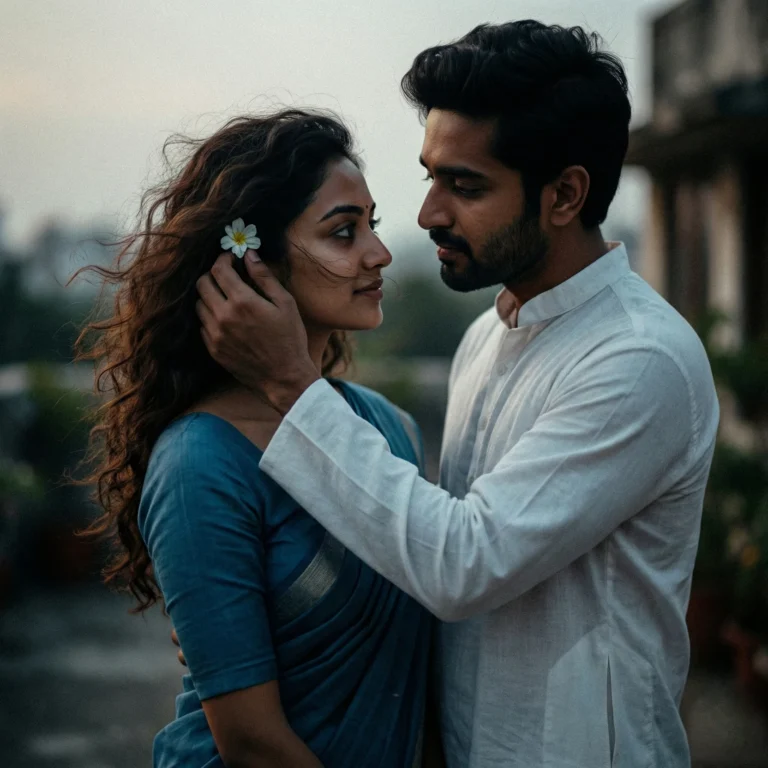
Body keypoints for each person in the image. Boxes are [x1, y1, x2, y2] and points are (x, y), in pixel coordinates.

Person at [195, 21, 720, 768]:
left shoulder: (638, 359)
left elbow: (460, 563)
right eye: (430, 176)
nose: (429, 213)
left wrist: (288, 381)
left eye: (465, 185)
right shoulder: (487, 336)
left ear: (565, 194)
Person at [76, 109, 436, 767]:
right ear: (253, 266)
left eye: (371, 226)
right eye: (343, 232)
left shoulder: (390, 430)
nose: (379, 254)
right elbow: (250, 744)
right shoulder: (201, 464)